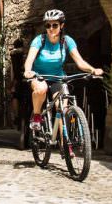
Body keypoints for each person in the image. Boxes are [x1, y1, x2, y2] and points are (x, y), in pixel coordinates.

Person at [22, 9, 104, 143]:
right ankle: (37, 116)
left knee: (63, 109)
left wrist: (92, 70)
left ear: (62, 25)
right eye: (48, 25)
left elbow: (80, 62)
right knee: (41, 90)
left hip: (58, 77)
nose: (51, 29)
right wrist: (28, 71)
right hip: (39, 75)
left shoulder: (67, 41)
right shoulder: (39, 40)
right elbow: (29, 60)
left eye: (54, 25)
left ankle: (64, 141)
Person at [8, 38, 28, 149]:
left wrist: (12, 83)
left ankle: (16, 115)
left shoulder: (13, 54)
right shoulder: (25, 52)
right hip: (27, 78)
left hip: (18, 79)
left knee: (15, 97)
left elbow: (13, 70)